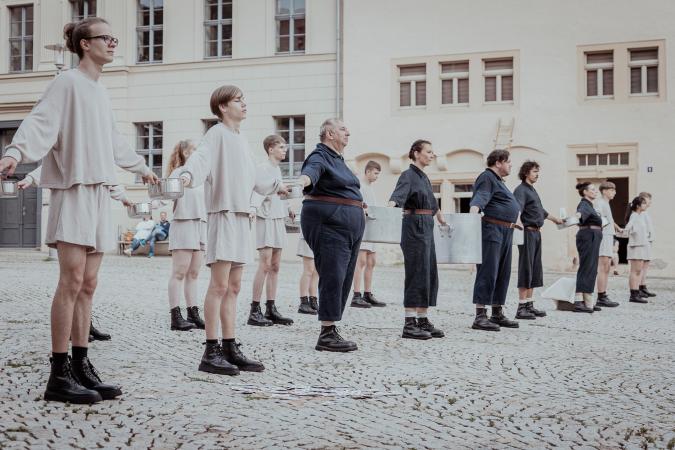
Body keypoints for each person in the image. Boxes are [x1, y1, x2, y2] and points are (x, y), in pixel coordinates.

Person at [0, 17, 157, 404]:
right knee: (70, 283)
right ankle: (58, 374)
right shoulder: (66, 83)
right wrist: (15, 151)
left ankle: (82, 363)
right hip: (72, 191)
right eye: (107, 37)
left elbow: (114, 141)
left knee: (89, 285)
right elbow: (40, 123)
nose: (113, 43)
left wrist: (142, 168)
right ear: (85, 45)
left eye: (114, 37)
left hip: (99, 194)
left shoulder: (99, 92)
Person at [178, 85, 287, 375]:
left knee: (235, 286)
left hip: (242, 219)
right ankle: (210, 350)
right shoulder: (216, 134)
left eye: (243, 99)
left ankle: (229, 346)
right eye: (238, 100)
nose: (244, 104)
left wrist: (279, 185)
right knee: (219, 285)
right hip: (223, 215)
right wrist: (186, 177)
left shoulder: (241, 138)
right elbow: (199, 162)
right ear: (223, 107)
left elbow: (255, 176)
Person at [18, 166, 129, 342]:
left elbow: (110, 174)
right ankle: (70, 332)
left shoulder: (103, 143)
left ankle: (85, 325)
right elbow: (55, 160)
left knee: (89, 282)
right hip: (74, 207)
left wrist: (124, 197)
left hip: (97, 210)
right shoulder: (73, 140)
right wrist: (31, 177)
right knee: (73, 280)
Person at [297, 118, 365, 352]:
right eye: (342, 129)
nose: (348, 132)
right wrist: (301, 182)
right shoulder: (320, 155)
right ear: (329, 133)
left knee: (344, 276)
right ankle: (326, 333)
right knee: (333, 273)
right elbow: (310, 173)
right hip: (330, 223)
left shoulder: (339, 160)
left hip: (348, 224)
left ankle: (332, 326)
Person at [388, 140, 447, 339]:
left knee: (428, 272)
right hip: (414, 226)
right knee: (416, 272)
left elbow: (431, 202)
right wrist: (387, 212)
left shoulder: (424, 177)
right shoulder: (408, 175)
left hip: (426, 226)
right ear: (416, 153)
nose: (432, 155)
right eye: (429, 152)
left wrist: (439, 216)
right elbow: (397, 198)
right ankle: (409, 323)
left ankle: (422, 319)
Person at [469, 149, 522, 331]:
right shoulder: (487, 177)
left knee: (503, 273)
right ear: (498, 162)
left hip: (506, 231)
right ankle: (480, 315)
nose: (511, 165)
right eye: (508, 161)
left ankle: (497, 312)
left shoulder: (499, 181)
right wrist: (472, 219)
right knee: (488, 271)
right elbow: (479, 199)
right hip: (492, 230)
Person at [248, 135, 295, 327]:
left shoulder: (277, 169)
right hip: (265, 218)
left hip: (277, 217)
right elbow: (259, 189)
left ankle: (271, 307)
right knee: (264, 264)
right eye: (281, 147)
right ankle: (255, 309)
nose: (285, 150)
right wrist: (278, 187)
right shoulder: (262, 168)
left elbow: (279, 194)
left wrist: (289, 207)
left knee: (276, 265)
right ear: (270, 149)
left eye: (285, 147)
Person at [513, 161, 563, 320]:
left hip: (536, 233)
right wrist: (517, 222)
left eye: (537, 171)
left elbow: (540, 211)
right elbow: (517, 208)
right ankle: (521, 307)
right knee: (526, 268)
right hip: (527, 232)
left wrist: (556, 220)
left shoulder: (532, 190)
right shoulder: (521, 190)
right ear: (526, 172)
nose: (537, 174)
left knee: (534, 269)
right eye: (534, 171)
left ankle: (529, 304)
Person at [165, 140, 206, 331]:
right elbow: (167, 197)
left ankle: (193, 312)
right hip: (183, 223)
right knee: (179, 272)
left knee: (194, 273)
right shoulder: (178, 173)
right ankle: (175, 315)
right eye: (195, 151)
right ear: (186, 153)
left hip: (201, 224)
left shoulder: (204, 176)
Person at [351, 160, 386, 308]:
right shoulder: (360, 186)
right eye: (376, 173)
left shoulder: (370, 188)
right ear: (368, 171)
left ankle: (368, 293)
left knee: (372, 261)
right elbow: (356, 204)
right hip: (362, 227)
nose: (377, 176)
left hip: (372, 228)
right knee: (361, 261)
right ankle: (356, 295)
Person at [573, 182, 603, 313]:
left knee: (591, 267)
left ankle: (587, 301)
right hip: (588, 237)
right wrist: (576, 216)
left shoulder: (590, 205)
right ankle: (579, 301)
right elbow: (580, 214)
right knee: (587, 267)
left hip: (592, 236)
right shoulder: (584, 204)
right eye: (592, 189)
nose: (595, 191)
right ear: (585, 192)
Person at [594, 181, 622, 308]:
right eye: (612, 190)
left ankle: (603, 294)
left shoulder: (606, 203)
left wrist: (617, 228)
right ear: (604, 191)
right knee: (603, 266)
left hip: (609, 235)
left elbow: (609, 219)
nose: (614, 193)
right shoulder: (600, 202)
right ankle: (601, 296)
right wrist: (606, 227)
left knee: (607, 267)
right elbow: (599, 217)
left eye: (614, 190)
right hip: (604, 236)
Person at [624, 196, 650, 304]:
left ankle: (636, 292)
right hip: (635, 246)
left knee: (639, 270)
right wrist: (627, 231)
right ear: (638, 206)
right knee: (635, 271)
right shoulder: (634, 216)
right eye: (643, 203)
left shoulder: (640, 216)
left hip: (641, 245)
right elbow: (628, 228)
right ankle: (633, 295)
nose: (646, 205)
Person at [637, 192, 656, 298]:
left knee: (645, 266)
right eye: (648, 199)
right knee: (641, 266)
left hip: (648, 242)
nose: (650, 202)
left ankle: (643, 286)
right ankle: (639, 287)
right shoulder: (640, 213)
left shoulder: (646, 213)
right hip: (643, 242)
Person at [297, 232, 319, 314]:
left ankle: (313, 300)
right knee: (308, 269)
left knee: (316, 270)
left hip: (320, 237)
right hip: (309, 235)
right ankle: (303, 302)